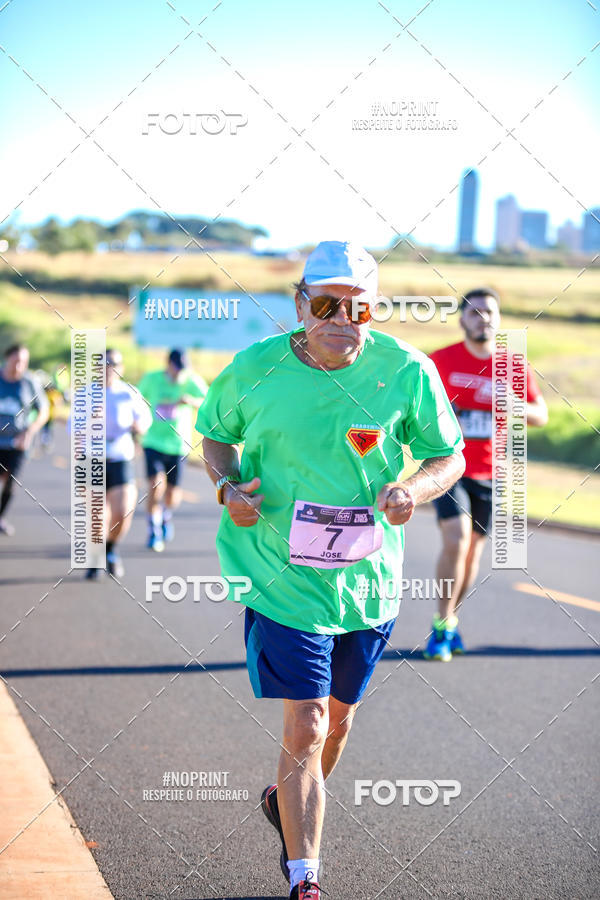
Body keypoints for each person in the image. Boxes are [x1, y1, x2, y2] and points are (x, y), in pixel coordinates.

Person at [195, 241, 465, 899]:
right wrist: (230, 489)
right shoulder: (253, 369)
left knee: (338, 723)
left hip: (366, 583)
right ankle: (305, 875)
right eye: (325, 304)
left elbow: (447, 455)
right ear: (299, 306)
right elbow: (214, 439)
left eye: (358, 307)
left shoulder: (406, 370)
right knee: (309, 721)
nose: (341, 319)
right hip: (279, 574)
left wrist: (414, 491)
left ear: (373, 310)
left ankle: (284, 797)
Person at [425, 287, 548, 662]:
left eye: (490, 312)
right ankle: (441, 625)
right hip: (449, 467)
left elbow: (541, 415)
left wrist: (509, 403)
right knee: (456, 539)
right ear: (462, 318)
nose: (484, 318)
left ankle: (450, 619)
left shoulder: (512, 367)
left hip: (491, 472)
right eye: (475, 312)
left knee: (472, 554)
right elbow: (415, 404)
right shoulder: (441, 361)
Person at [85, 349, 152, 580]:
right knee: (97, 515)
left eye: (113, 363)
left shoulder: (129, 393)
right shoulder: (86, 394)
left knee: (123, 512)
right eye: (103, 363)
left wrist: (139, 426)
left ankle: (110, 548)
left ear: (120, 368)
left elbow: (145, 418)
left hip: (120, 457)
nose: (108, 368)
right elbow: (71, 428)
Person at [138, 349, 207, 552]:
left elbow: (209, 401)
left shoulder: (191, 380)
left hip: (178, 445)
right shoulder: (152, 379)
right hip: (153, 441)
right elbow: (137, 398)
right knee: (156, 485)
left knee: (172, 494)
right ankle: (154, 528)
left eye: (182, 370)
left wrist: (191, 402)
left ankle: (166, 515)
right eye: (176, 369)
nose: (178, 374)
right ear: (168, 364)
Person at [0, 344, 49, 535]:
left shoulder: (29, 382)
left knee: (11, 483)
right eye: (17, 360)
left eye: (24, 362)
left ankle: (1, 516)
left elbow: (43, 410)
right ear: (7, 358)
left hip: (17, 443)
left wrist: (29, 431)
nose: (20, 365)